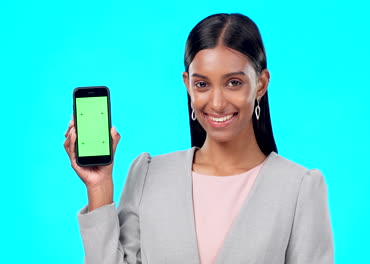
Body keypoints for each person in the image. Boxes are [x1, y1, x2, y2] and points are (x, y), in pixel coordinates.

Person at [64, 13, 333, 264]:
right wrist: (99, 188)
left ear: (261, 84)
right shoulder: (148, 174)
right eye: (202, 84)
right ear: (187, 84)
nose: (216, 103)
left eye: (234, 83)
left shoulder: (300, 188)